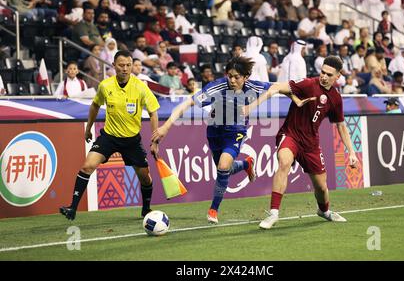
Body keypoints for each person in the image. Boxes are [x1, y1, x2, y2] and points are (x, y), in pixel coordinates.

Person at [152, 57, 283, 224]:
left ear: (245, 77)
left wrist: (296, 95)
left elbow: (279, 87)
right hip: (215, 131)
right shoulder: (217, 87)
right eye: (230, 76)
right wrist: (166, 127)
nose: (233, 80)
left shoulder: (254, 86)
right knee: (224, 170)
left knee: (223, 166)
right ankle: (246, 164)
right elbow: (186, 104)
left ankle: (214, 209)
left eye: (237, 77)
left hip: (236, 131)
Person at [243, 56, 358, 229]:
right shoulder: (307, 84)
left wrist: (352, 153)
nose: (324, 76)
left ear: (338, 76)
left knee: (321, 187)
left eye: (329, 74)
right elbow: (276, 87)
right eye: (322, 72)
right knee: (284, 162)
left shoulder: (335, 98)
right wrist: (250, 108)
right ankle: (273, 212)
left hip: (311, 143)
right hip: (290, 134)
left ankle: (324, 211)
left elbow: (341, 126)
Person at [60, 50, 160, 220]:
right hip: (109, 137)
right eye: (121, 65)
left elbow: (153, 112)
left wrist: (155, 141)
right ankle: (72, 208)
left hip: (131, 140)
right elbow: (94, 106)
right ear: (113, 66)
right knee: (87, 166)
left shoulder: (141, 87)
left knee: (145, 177)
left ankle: (146, 209)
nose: (125, 69)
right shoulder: (105, 86)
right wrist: (88, 128)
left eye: (129, 65)